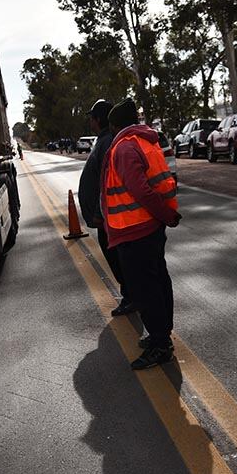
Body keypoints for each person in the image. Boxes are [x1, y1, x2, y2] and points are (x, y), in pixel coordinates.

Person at [101, 98, 182, 370]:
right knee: (158, 280)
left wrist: (165, 215)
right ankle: (162, 333)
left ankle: (160, 344)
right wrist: (165, 216)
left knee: (145, 289)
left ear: (114, 126)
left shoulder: (124, 148)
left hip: (135, 230)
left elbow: (141, 191)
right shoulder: (145, 141)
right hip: (150, 228)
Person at [78, 99, 134, 316]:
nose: (90, 121)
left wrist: (100, 213)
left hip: (110, 216)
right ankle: (129, 294)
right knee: (115, 256)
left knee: (118, 257)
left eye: (92, 117)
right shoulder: (103, 140)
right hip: (106, 215)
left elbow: (107, 181)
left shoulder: (108, 141)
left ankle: (131, 296)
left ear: (99, 119)